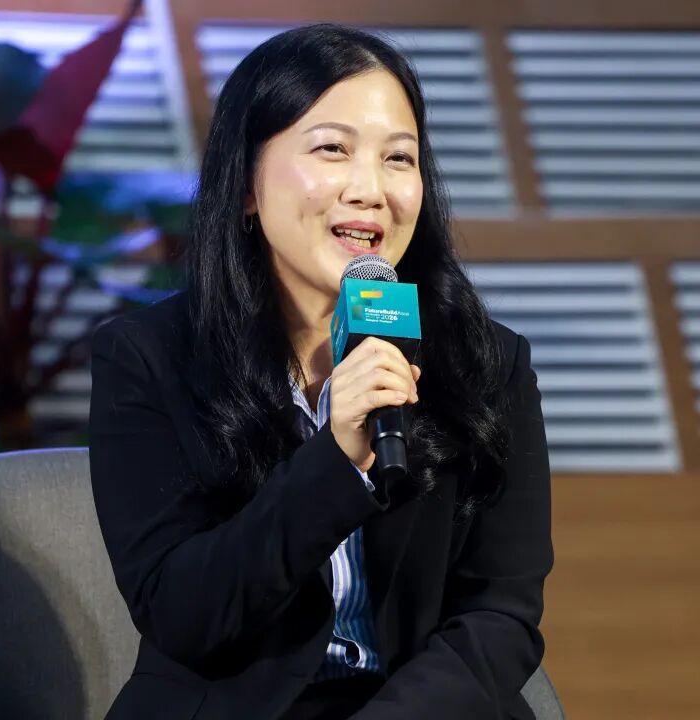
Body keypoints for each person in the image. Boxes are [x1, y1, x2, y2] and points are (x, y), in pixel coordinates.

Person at [89, 22, 553, 720]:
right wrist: (334, 461)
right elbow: (183, 615)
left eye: (399, 158)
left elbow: (501, 614)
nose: (370, 189)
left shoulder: (485, 361)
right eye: (333, 149)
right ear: (246, 185)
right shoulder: (148, 358)